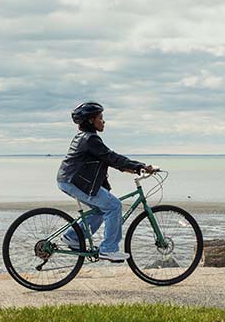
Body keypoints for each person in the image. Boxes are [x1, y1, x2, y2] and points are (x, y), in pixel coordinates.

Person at [56, 101, 155, 262]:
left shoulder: (86, 138)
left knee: (101, 210)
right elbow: (112, 158)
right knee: (114, 205)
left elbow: (110, 160)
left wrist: (136, 168)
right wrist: (139, 167)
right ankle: (108, 249)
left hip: (69, 180)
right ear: (90, 120)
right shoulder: (91, 140)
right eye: (100, 117)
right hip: (74, 181)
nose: (103, 121)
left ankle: (73, 237)